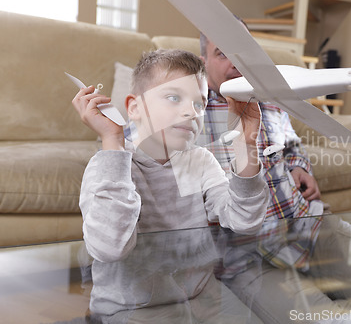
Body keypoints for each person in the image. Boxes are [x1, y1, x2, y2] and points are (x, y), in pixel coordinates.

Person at [71, 49, 268, 321]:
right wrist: (113, 142)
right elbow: (110, 247)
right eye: (174, 97)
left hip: (201, 293)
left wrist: (246, 146)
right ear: (134, 108)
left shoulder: (200, 161)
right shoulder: (107, 166)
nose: (191, 112)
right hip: (134, 306)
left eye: (200, 104)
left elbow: (245, 220)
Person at [198, 32, 351, 323]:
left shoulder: (270, 98)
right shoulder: (189, 111)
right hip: (248, 258)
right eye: (222, 53)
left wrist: (300, 166)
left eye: (240, 52)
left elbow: (291, 143)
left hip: (307, 225)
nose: (234, 63)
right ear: (204, 62)